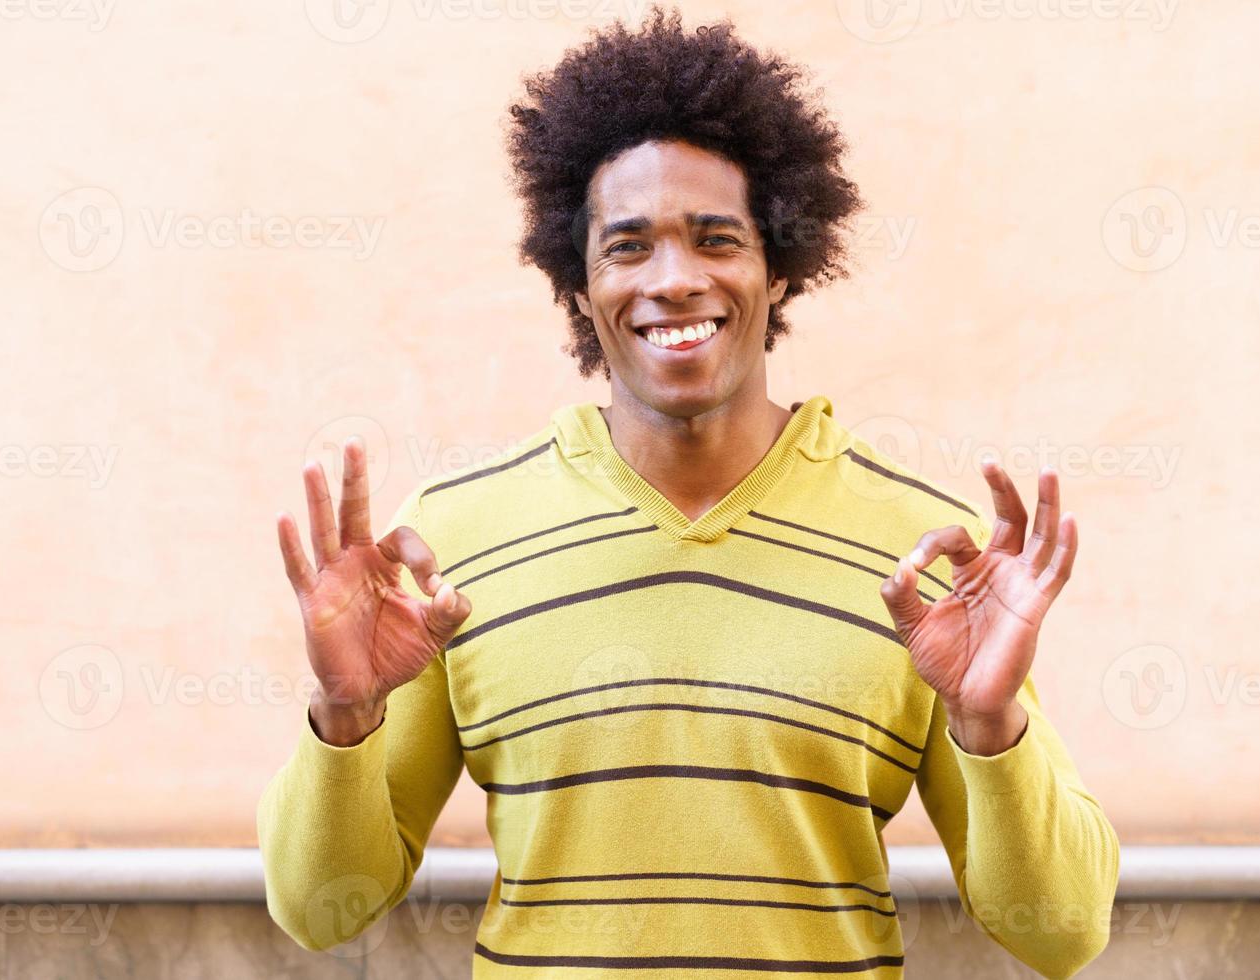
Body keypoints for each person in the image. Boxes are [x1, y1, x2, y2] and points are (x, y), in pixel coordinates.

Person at [257, 8, 1118, 977]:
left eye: (716, 238)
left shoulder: (922, 549)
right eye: (627, 247)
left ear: (777, 270)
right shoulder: (448, 540)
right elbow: (318, 910)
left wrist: (993, 726)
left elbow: (1065, 930)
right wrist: (343, 714)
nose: (673, 279)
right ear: (578, 285)